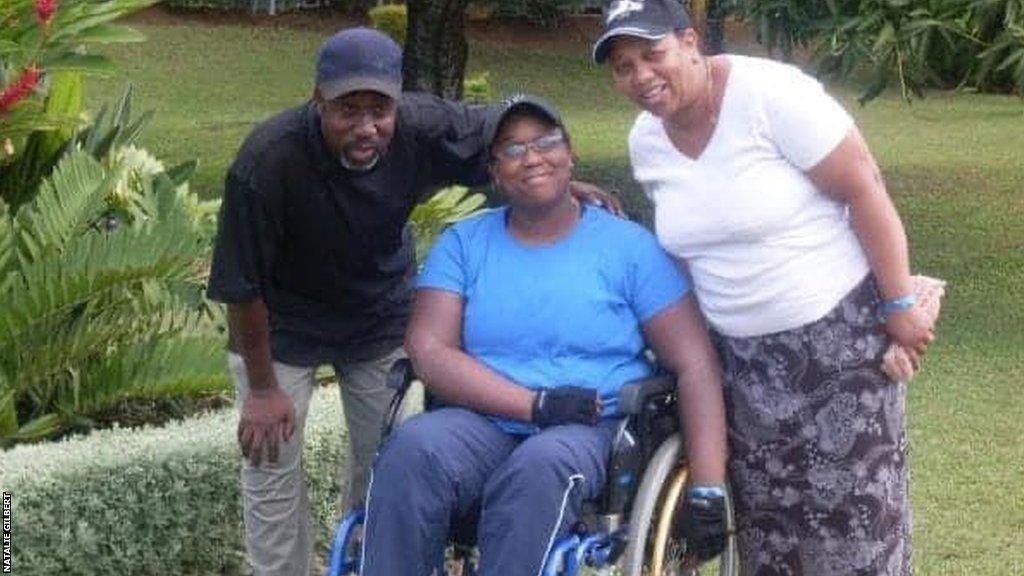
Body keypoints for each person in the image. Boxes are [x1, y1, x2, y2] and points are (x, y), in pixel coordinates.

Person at [207, 28, 620, 576]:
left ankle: (366, 563)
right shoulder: (267, 162)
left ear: (398, 102)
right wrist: (261, 389)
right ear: (317, 101)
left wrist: (556, 184)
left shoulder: (425, 126)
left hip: (376, 315)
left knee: (383, 465)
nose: (365, 126)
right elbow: (242, 286)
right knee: (271, 468)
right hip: (279, 326)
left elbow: (516, 131)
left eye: (379, 109)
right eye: (346, 110)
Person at [592, 0, 937, 574]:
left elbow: (864, 186)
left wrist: (899, 303)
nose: (640, 77)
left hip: (838, 349)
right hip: (742, 366)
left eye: (652, 55)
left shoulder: (770, 95)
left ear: (689, 39)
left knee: (856, 530)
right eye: (623, 66)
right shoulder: (645, 142)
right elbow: (684, 249)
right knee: (770, 537)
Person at [358, 94, 729, 576]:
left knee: (540, 467)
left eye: (546, 142)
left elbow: (694, 361)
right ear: (494, 170)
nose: (532, 157)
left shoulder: (629, 249)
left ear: (569, 155)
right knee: (412, 449)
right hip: (480, 419)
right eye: (512, 150)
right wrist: (532, 405)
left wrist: (706, 486)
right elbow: (429, 350)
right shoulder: (464, 245)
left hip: (586, 428)